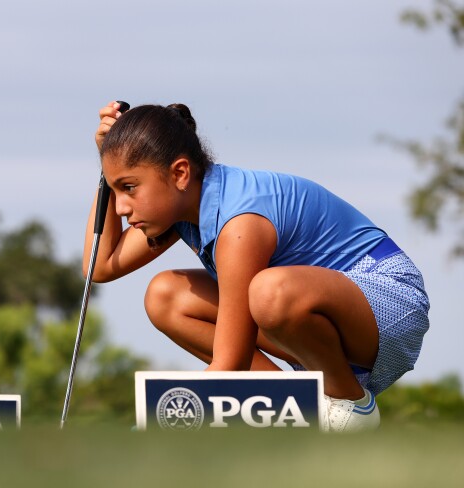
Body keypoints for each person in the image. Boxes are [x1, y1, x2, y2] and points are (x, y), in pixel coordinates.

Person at [86, 101, 430, 432]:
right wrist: (107, 169)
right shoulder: (185, 206)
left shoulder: (239, 223)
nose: (120, 208)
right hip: (311, 317)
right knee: (166, 296)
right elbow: (99, 267)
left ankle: (349, 403)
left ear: (179, 173)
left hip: (388, 302)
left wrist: (161, 418)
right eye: (116, 190)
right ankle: (292, 406)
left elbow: (229, 362)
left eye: (129, 187)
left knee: (268, 291)